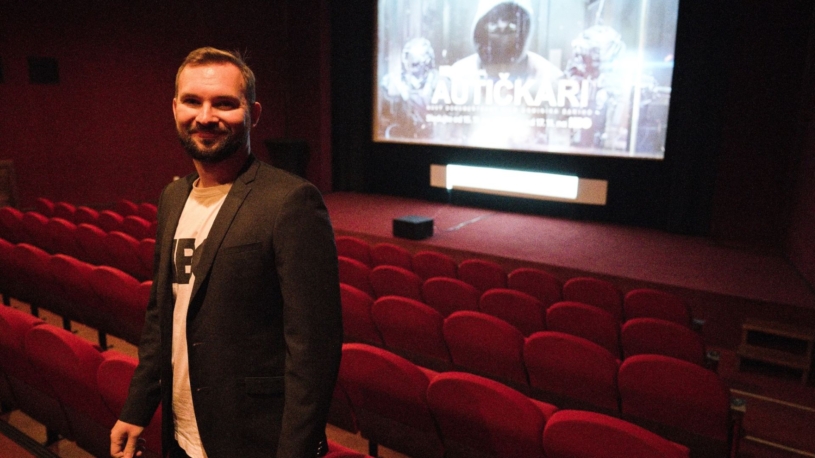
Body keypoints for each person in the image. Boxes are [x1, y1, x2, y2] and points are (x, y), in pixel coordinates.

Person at [109, 47, 343, 458]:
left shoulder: (290, 201)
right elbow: (162, 317)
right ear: (175, 108)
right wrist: (137, 407)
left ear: (253, 113)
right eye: (192, 101)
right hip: (182, 433)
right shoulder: (172, 197)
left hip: (254, 440)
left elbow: (313, 349)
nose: (205, 116)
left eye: (224, 103)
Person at [450, 0, 562, 85]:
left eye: (511, 23)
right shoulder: (458, 76)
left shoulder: (550, 77)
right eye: (493, 23)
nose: (502, 26)